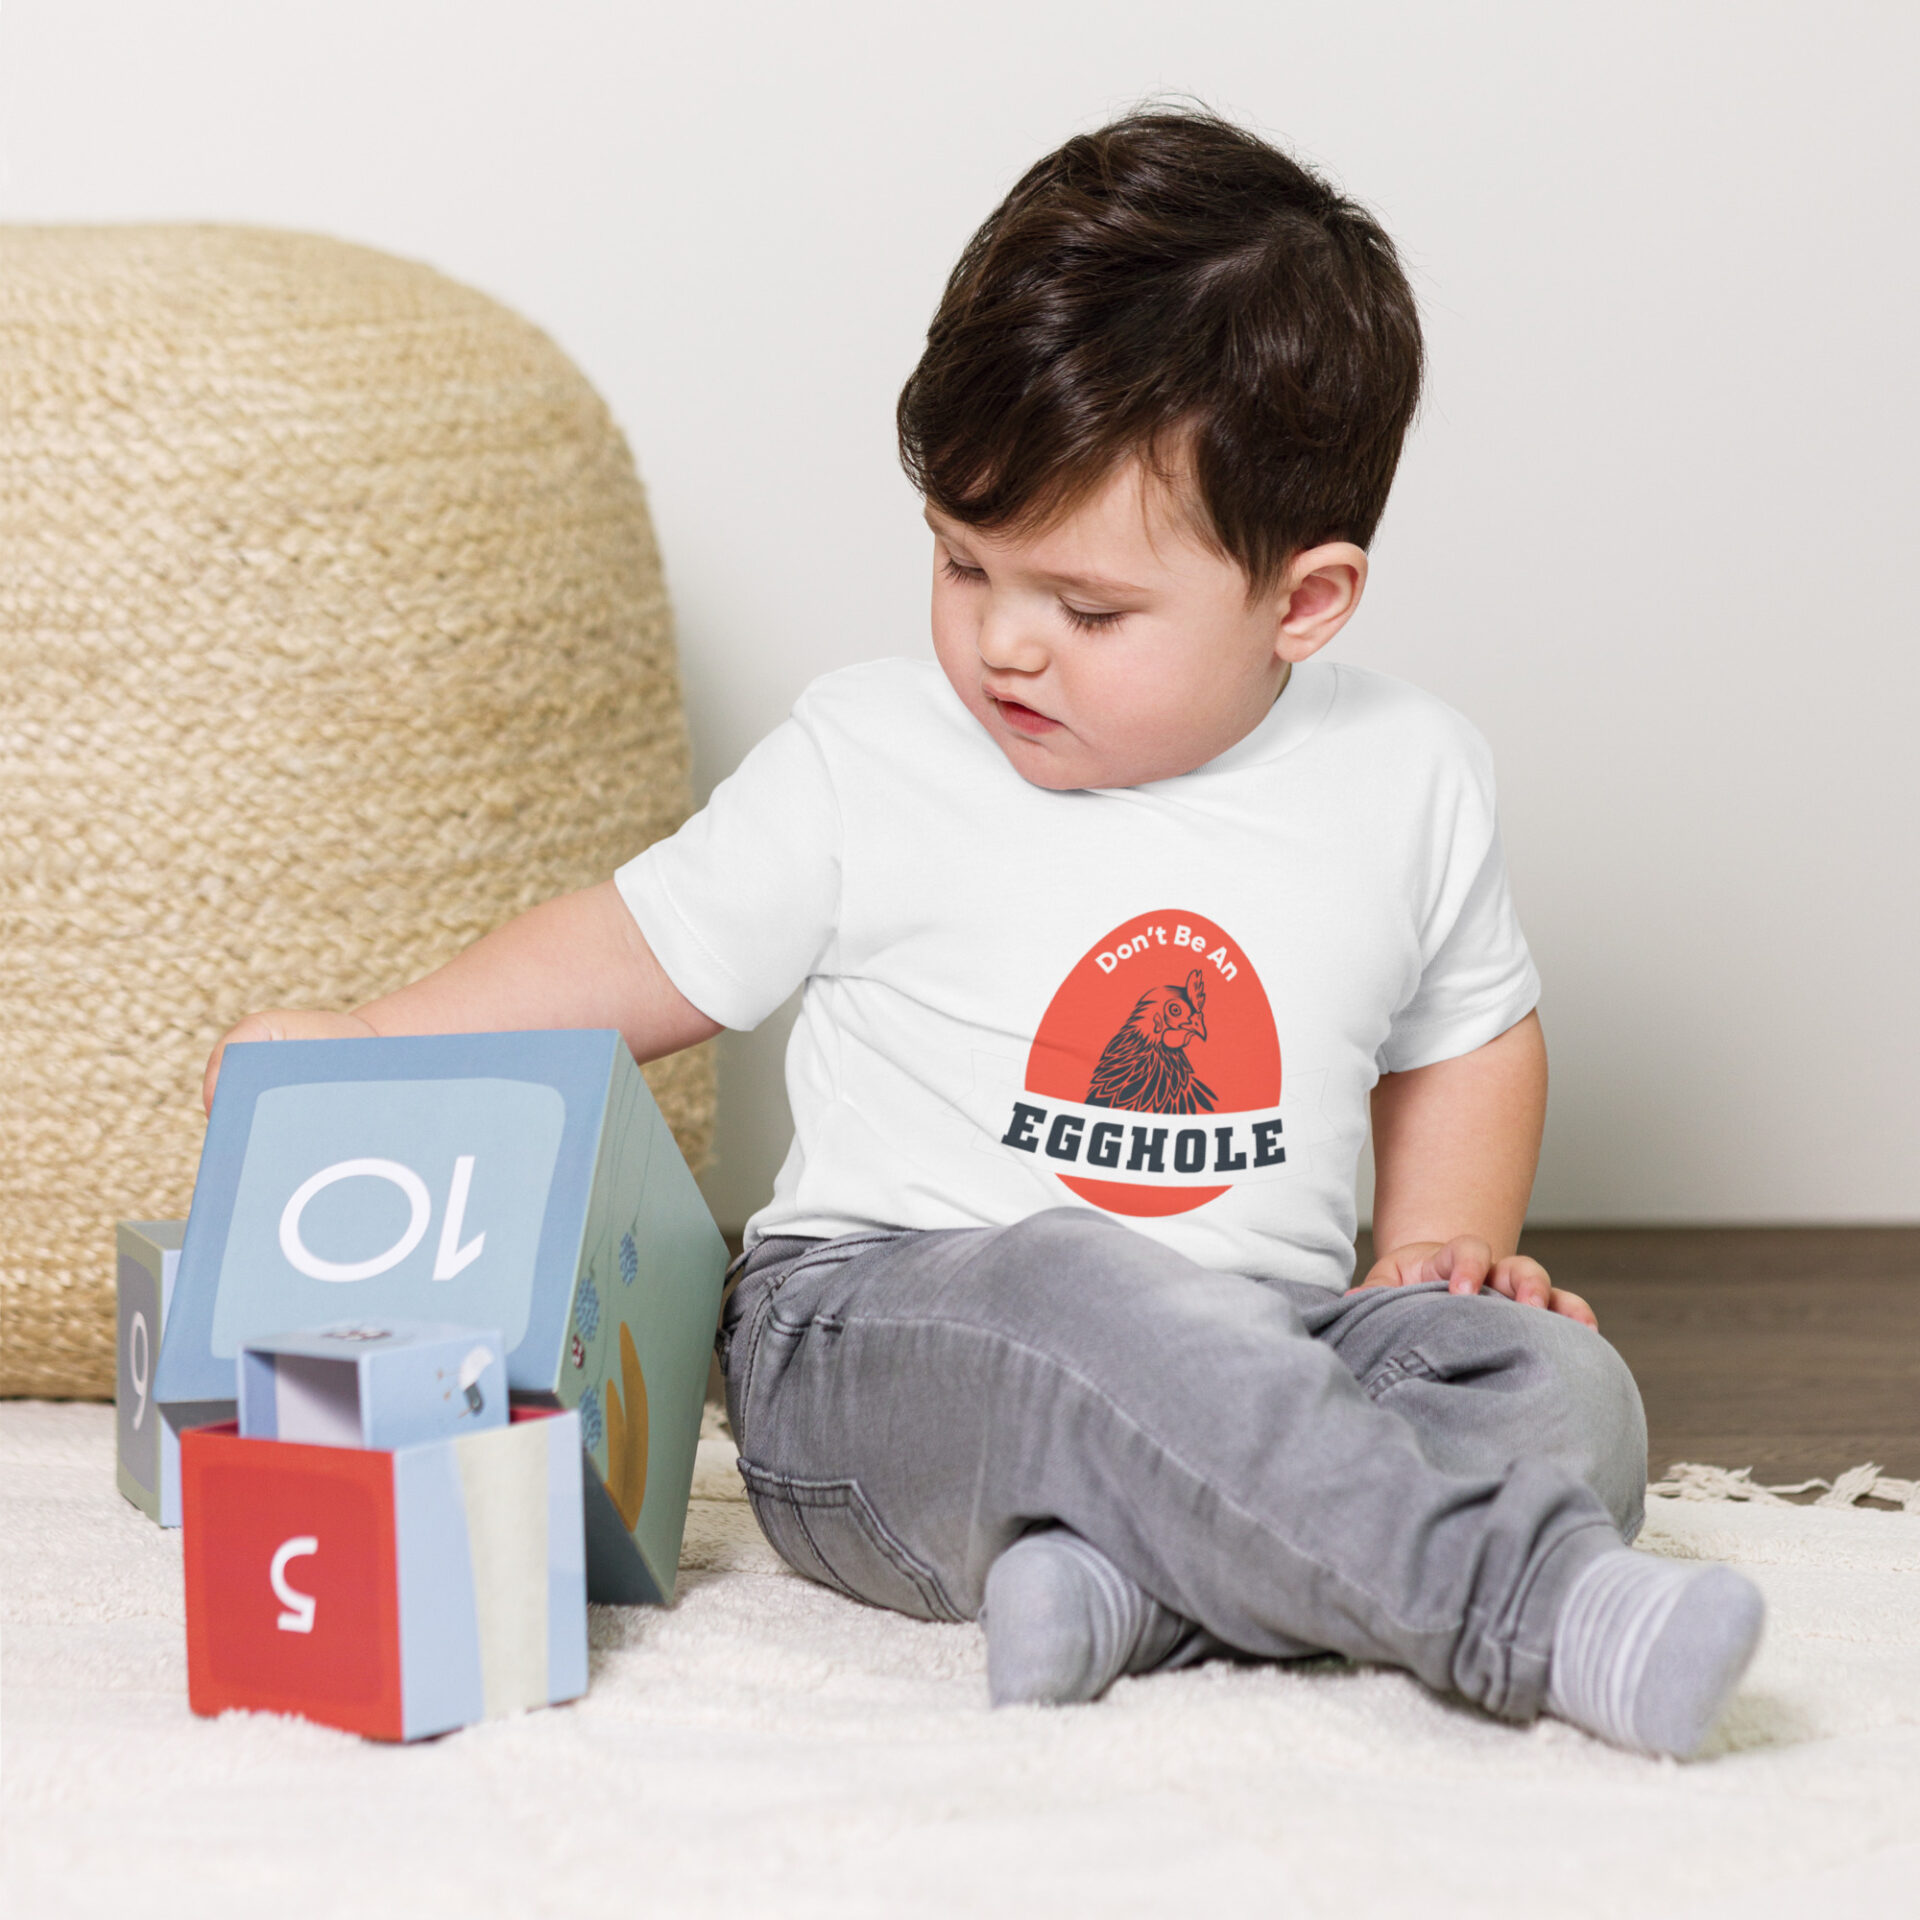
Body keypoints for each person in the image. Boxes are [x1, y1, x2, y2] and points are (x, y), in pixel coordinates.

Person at [205, 108, 1763, 1757]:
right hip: (889, 1340)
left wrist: (1432, 1253)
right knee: (1072, 1289)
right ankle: (1509, 1607)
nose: (1005, 643)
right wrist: (373, 1045)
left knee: (1561, 1392)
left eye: (1087, 609)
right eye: (963, 562)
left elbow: (1470, 1029)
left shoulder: (1409, 772)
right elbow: (633, 951)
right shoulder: (865, 757)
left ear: (1302, 602)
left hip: (1271, 1338)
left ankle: (1135, 1596)